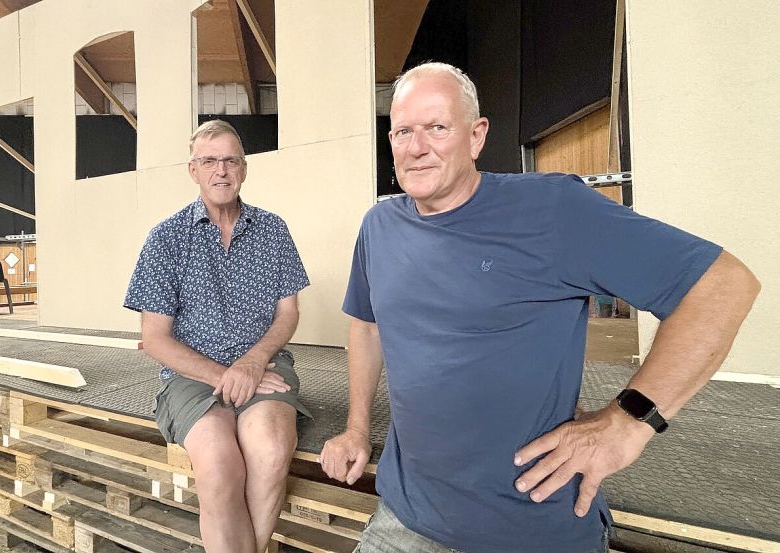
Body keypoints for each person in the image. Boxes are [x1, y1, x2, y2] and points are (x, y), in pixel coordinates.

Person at [319, 62, 760, 553]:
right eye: (403, 131)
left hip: (530, 526)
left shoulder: (551, 210)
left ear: (476, 135)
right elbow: (367, 325)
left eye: (437, 127)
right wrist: (356, 428)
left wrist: (628, 421)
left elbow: (722, 287)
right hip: (406, 519)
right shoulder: (381, 225)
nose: (416, 146)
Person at [125, 120, 312, 553]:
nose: (221, 170)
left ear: (244, 169)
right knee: (219, 464)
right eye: (209, 161)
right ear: (193, 170)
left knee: (269, 451)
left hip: (263, 365)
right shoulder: (166, 238)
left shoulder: (273, 231)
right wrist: (224, 375)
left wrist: (253, 362)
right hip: (191, 371)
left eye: (230, 160)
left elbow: (288, 313)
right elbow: (154, 339)